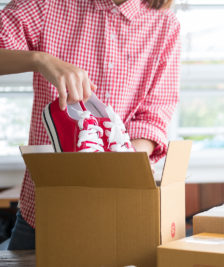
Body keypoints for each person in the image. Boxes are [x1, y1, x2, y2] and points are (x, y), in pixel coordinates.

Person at [0, 0, 180, 250]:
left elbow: (154, 114)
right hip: (43, 212)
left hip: (118, 213)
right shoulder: (46, 4)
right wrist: (40, 59)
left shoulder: (165, 24)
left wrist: (120, 165)